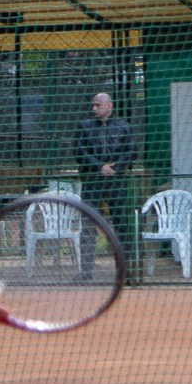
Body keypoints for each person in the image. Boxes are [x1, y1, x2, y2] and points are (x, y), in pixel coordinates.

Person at [74, 92, 135, 275]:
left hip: (116, 181)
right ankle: (85, 271)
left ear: (109, 105)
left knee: (121, 223)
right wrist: (99, 167)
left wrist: (115, 168)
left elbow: (131, 151)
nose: (94, 108)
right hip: (92, 181)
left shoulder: (123, 127)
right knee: (88, 223)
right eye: (92, 105)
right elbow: (79, 152)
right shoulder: (84, 127)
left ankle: (125, 270)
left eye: (97, 105)